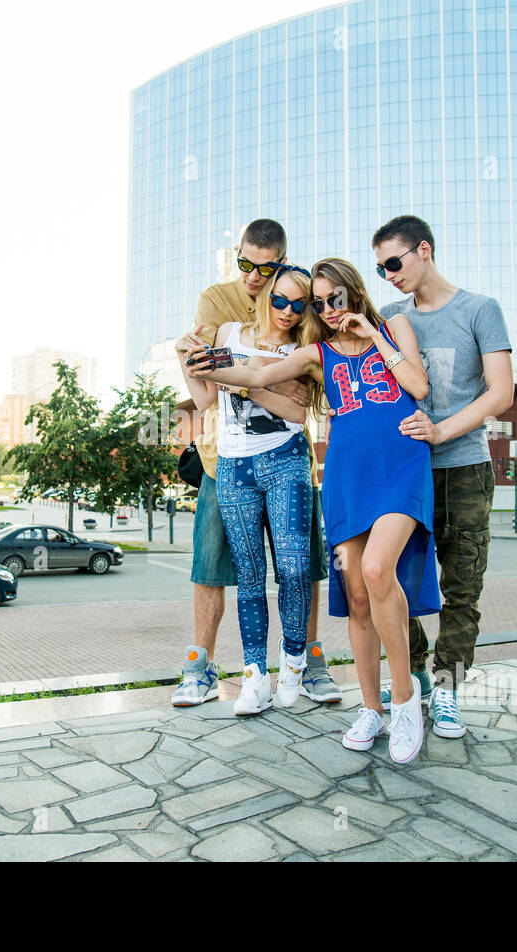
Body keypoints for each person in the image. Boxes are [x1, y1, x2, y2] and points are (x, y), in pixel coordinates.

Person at [189, 258, 440, 764]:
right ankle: (371, 708)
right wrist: (203, 362)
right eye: (318, 303)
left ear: (354, 293)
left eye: (333, 299)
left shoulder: (396, 327)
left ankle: (406, 701)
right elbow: (257, 371)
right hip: (346, 475)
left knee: (375, 570)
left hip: (400, 468)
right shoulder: (316, 354)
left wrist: (372, 330)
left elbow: (418, 386)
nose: (326, 310)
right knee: (357, 595)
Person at [169, 220, 339, 708]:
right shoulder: (218, 306)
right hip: (225, 461)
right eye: (245, 263)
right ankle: (202, 668)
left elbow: (300, 397)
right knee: (216, 566)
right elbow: (203, 386)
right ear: (237, 257)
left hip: (287, 459)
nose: (253, 277)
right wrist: (202, 363)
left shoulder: (303, 324)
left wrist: (243, 377)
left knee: (298, 566)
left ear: (283, 264)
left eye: (266, 269)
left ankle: (307, 662)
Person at [372, 215, 514, 740]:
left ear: (423, 250)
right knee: (391, 580)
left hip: (463, 470)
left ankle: (449, 686)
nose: (388, 275)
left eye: (394, 262)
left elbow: (500, 392)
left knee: (462, 586)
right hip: (403, 476)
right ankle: (413, 676)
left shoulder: (480, 309)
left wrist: (442, 431)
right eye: (380, 267)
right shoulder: (388, 317)